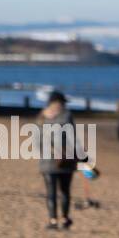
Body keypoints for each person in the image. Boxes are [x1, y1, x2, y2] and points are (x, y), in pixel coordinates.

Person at [32, 90, 83, 230]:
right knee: (65, 191)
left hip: (47, 161)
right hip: (65, 159)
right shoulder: (66, 115)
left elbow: (36, 142)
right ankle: (65, 219)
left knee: (51, 192)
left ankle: (53, 220)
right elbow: (73, 138)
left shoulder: (41, 117)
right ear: (61, 103)